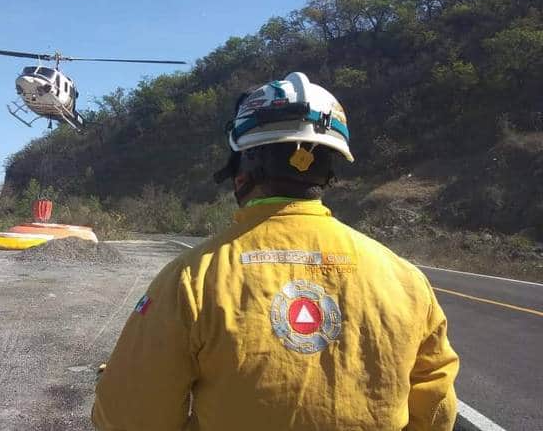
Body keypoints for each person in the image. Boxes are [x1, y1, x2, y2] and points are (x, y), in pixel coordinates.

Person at [91, 72, 459, 430]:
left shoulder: (191, 279)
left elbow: (128, 418)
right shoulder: (406, 280)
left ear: (242, 170)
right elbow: (437, 412)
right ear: (330, 169)